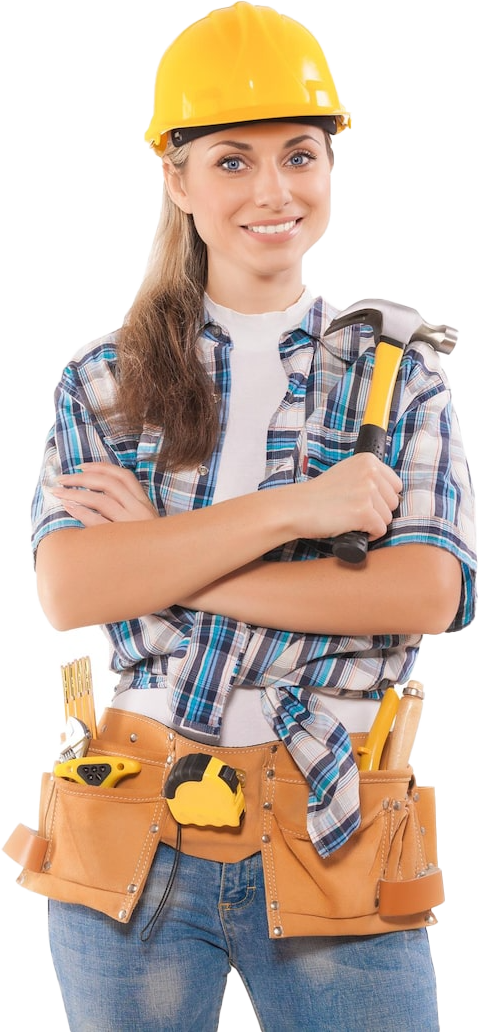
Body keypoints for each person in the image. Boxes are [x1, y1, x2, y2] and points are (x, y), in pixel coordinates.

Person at [26, 2, 476, 1030]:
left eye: (299, 156)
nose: (274, 191)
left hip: (333, 823)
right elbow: (71, 590)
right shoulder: (103, 381)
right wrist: (301, 512)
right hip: (131, 825)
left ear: (331, 166)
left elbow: (428, 592)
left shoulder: (398, 379)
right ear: (177, 179)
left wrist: (162, 554)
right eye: (233, 161)